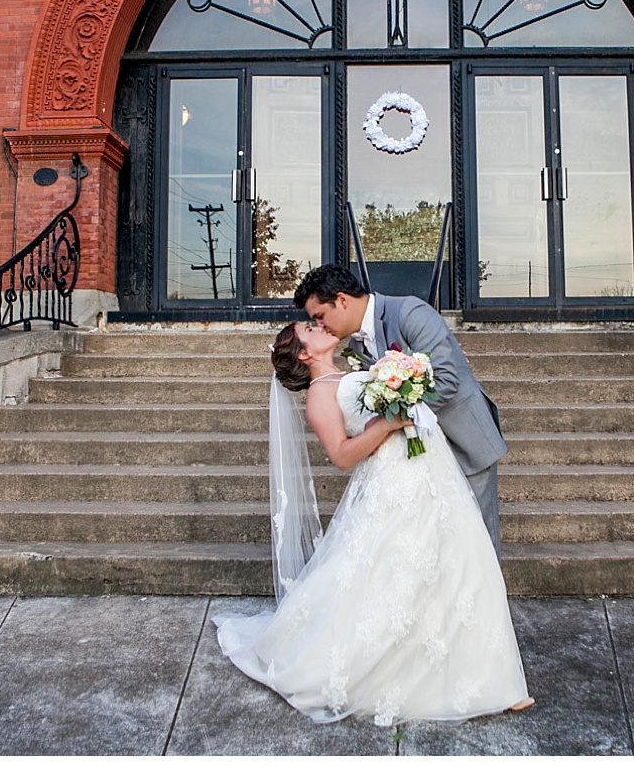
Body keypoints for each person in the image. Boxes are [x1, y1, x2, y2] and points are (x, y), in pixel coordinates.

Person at [212, 320, 531, 726]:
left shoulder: (355, 369)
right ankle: (411, 673)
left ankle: (494, 681)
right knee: (398, 571)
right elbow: (343, 456)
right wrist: (388, 424)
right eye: (309, 328)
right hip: (392, 482)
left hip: (431, 470)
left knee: (463, 563)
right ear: (304, 354)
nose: (319, 324)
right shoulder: (319, 396)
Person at [294, 263, 507, 557]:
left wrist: (390, 419)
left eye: (319, 316)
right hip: (424, 458)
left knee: (477, 545)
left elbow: (446, 381)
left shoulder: (409, 312)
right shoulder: (356, 346)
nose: (320, 327)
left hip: (463, 439)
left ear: (341, 300)